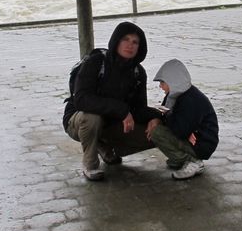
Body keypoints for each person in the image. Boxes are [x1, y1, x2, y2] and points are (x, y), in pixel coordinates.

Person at [63, 21, 161, 181]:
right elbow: (81, 99)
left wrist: (156, 117)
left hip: (112, 123)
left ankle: (104, 145)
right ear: (116, 41)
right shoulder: (95, 62)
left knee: (156, 132)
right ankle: (90, 164)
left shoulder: (138, 72)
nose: (130, 45)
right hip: (79, 121)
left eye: (135, 42)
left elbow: (138, 108)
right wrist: (121, 110)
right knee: (93, 118)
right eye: (125, 39)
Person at [147, 59, 218, 180]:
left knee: (157, 132)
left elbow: (180, 131)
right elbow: (165, 114)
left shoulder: (190, 100)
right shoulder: (175, 95)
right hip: (192, 139)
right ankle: (180, 158)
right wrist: (158, 118)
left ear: (173, 81)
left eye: (163, 82)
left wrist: (166, 115)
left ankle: (192, 161)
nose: (160, 86)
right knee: (156, 127)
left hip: (202, 144)